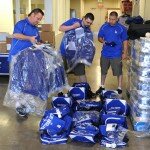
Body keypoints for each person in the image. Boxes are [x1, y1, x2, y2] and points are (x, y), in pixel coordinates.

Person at [8, 8, 44, 117]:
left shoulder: (35, 28)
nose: (38, 21)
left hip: (28, 58)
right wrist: (29, 38)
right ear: (32, 14)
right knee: (17, 82)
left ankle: (25, 102)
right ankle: (19, 106)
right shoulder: (21, 24)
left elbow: (37, 40)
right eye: (37, 19)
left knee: (26, 81)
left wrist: (41, 44)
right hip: (16, 58)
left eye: (40, 20)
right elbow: (15, 35)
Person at [96, 11, 128, 95]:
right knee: (103, 70)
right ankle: (102, 86)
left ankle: (119, 87)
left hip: (116, 54)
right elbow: (99, 37)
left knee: (118, 71)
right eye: (110, 19)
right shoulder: (104, 26)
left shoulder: (121, 28)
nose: (111, 21)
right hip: (105, 53)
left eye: (113, 19)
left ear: (117, 19)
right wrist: (103, 41)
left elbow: (125, 41)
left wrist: (125, 52)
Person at [59, 13, 94, 83]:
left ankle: (85, 90)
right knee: (62, 73)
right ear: (83, 18)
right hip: (65, 52)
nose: (88, 24)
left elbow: (88, 43)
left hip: (78, 55)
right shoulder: (74, 21)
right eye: (87, 22)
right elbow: (60, 28)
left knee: (81, 73)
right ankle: (61, 92)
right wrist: (73, 26)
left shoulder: (87, 29)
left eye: (90, 23)